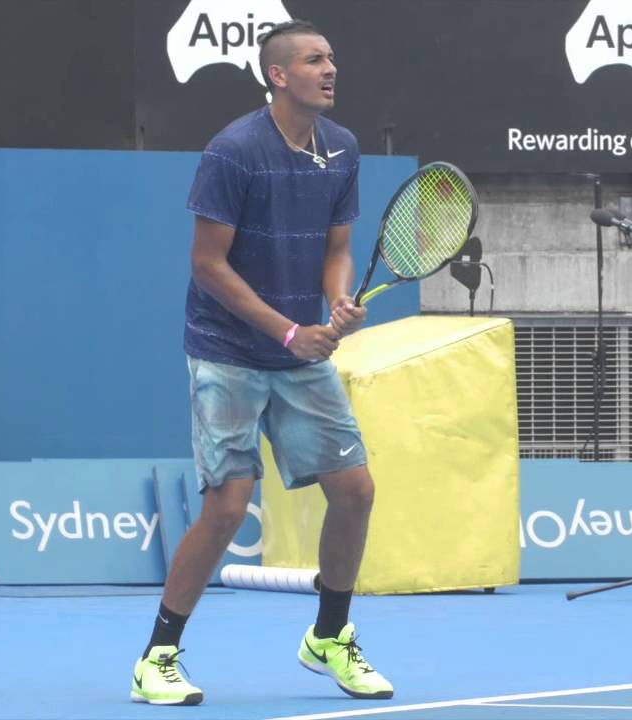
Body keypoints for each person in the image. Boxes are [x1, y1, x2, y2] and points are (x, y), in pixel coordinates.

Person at [129, 20, 393, 706]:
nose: (331, 68)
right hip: (229, 351)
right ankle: (158, 656)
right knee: (228, 506)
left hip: (300, 349)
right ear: (279, 75)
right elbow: (207, 265)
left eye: (332, 57)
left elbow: (339, 248)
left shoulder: (342, 149)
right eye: (314, 59)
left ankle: (329, 635)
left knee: (356, 490)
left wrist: (338, 301)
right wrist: (286, 333)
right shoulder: (234, 152)